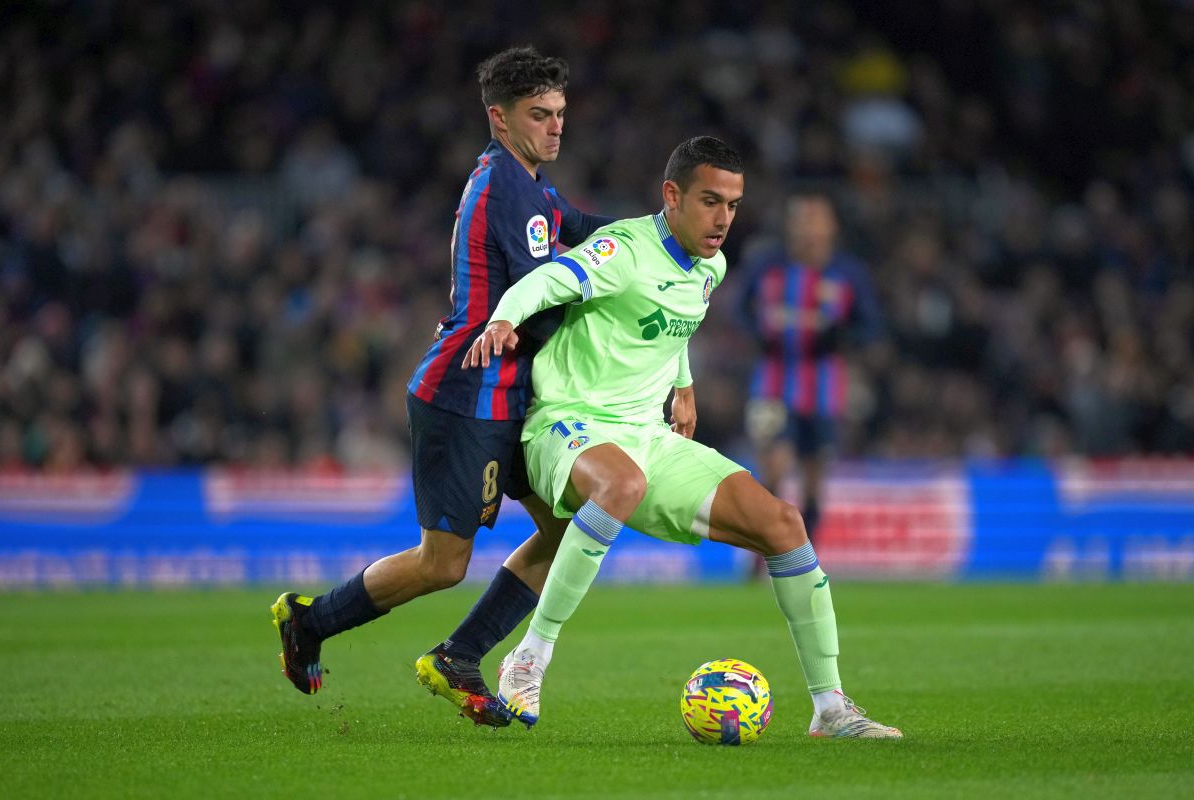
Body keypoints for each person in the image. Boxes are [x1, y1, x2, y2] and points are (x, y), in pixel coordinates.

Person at [463, 136, 902, 738]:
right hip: (567, 423)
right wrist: (504, 319)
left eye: (734, 204)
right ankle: (529, 657)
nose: (723, 219)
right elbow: (547, 282)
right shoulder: (622, 249)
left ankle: (831, 709)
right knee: (620, 484)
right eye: (709, 201)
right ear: (671, 196)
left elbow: (670, 327)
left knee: (784, 524)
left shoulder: (711, 266)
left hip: (645, 435)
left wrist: (684, 382)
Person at [269, 46, 615, 727]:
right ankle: (310, 621)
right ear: (499, 117)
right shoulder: (506, 189)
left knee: (568, 529)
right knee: (444, 562)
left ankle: (460, 655)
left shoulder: (532, 185)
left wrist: (661, 239)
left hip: (508, 396)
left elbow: (585, 231)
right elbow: (543, 300)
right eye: (540, 115)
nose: (555, 127)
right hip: (468, 395)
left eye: (561, 114)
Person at [738, 193, 883, 553]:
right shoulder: (767, 265)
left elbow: (870, 325)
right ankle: (764, 556)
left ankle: (806, 554)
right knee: (774, 465)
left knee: (814, 478)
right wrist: (759, 331)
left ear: (831, 227)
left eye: (815, 219)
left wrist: (837, 336)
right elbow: (738, 308)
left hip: (824, 385)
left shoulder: (848, 273)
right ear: (790, 225)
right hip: (770, 382)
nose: (807, 227)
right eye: (801, 219)